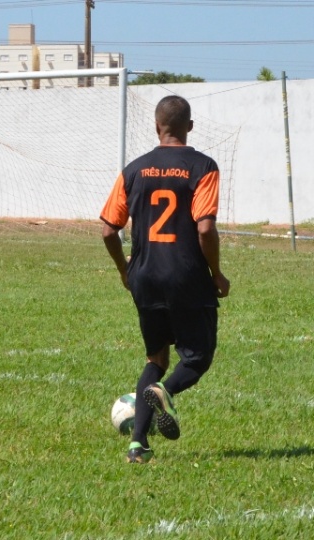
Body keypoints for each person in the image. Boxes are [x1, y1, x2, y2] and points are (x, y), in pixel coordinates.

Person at [100, 95, 230, 464]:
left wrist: (126, 272)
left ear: (157, 127)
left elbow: (109, 230)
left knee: (156, 357)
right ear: (189, 127)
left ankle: (138, 445)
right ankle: (164, 392)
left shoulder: (135, 169)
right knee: (197, 358)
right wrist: (216, 274)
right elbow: (205, 228)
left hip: (145, 277)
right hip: (185, 275)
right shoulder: (202, 166)